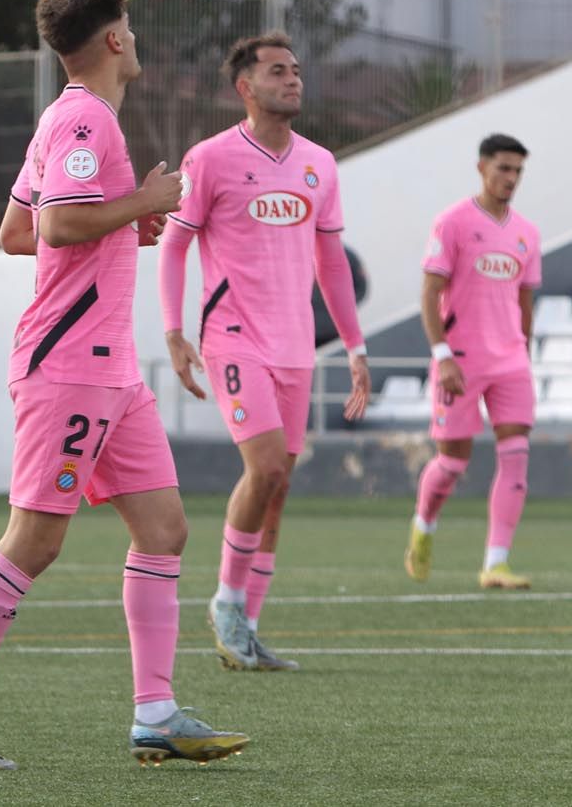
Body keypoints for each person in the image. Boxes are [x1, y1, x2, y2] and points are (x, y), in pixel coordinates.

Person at [0, 0, 248, 770]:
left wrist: (122, 227)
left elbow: (15, 231)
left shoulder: (69, 118)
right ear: (112, 40)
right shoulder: (85, 118)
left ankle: (156, 711)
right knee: (36, 539)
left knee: (165, 527)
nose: (135, 37)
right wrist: (141, 201)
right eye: (129, 25)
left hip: (111, 369)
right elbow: (57, 223)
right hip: (68, 363)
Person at [157, 33, 370, 672]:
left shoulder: (319, 164)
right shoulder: (212, 158)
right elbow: (173, 246)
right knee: (268, 465)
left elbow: (330, 260)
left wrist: (354, 345)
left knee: (279, 486)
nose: (294, 80)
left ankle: (247, 626)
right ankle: (225, 603)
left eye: (298, 70)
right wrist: (174, 330)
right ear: (245, 88)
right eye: (279, 71)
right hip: (233, 339)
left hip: (296, 348)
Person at [406, 134, 540, 591]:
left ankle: (496, 564)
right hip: (460, 360)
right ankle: (423, 526)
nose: (511, 178)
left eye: (518, 171)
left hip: (511, 362)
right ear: (482, 167)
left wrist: (523, 347)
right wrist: (442, 354)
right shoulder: (454, 223)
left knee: (517, 453)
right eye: (504, 168)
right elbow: (428, 293)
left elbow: (526, 300)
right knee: (453, 462)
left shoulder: (527, 233)